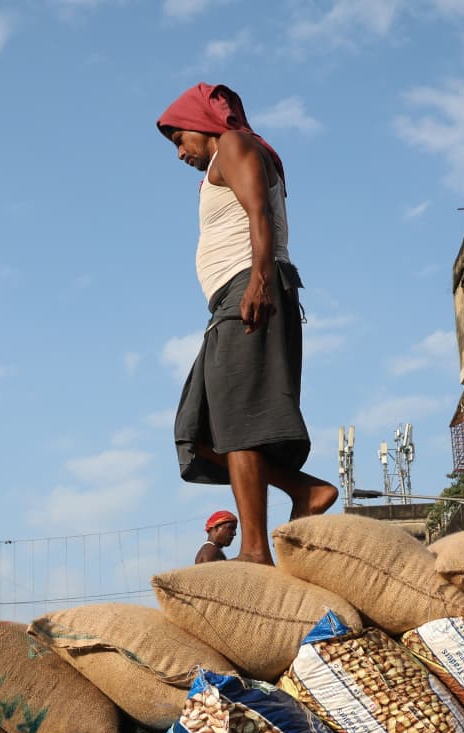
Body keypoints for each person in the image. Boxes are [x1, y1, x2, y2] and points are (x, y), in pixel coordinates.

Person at [158, 83, 336, 564]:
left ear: (202, 122)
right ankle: (305, 490)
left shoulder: (234, 145)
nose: (179, 153)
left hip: (249, 289)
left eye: (179, 139)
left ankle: (255, 549)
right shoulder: (220, 163)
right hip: (228, 301)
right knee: (199, 431)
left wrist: (259, 279)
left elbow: (261, 214)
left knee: (236, 424)